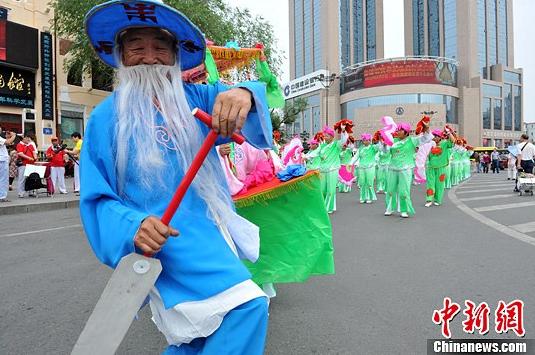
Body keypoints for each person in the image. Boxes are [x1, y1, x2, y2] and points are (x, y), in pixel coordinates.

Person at [80, 1, 272, 353]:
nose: (149, 57)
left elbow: (260, 98)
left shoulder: (198, 97)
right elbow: (96, 199)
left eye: (160, 47)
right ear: (121, 54)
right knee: (246, 306)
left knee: (195, 336)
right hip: (163, 239)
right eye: (137, 46)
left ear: (175, 55)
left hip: (211, 230)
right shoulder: (104, 119)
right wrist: (133, 226)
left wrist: (243, 94)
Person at [383, 121, 431, 218]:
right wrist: (384, 144)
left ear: (406, 132)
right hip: (393, 168)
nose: (398, 132)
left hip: (405, 169)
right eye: (398, 130)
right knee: (390, 190)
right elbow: (385, 152)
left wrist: (426, 128)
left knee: (403, 191)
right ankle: (390, 208)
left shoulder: (412, 141)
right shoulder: (393, 140)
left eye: (401, 130)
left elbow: (426, 138)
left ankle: (403, 210)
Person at [425, 129, 454, 207]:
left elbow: (452, 141)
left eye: (435, 136)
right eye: (433, 136)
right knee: (430, 184)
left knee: (439, 185)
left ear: (440, 137)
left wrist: (449, 133)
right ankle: (429, 199)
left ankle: (438, 199)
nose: (434, 138)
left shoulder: (444, 144)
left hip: (441, 167)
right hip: (431, 167)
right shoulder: (431, 144)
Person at [353, 133, 378, 204]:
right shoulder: (360, 148)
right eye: (365, 140)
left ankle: (369, 197)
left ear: (370, 140)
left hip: (370, 167)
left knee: (369, 182)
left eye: (368, 140)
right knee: (362, 182)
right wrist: (350, 164)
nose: (366, 141)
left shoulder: (373, 147)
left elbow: (381, 148)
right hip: (362, 167)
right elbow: (356, 157)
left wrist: (382, 140)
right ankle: (362, 197)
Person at [15, 132, 37, 198]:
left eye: (29, 139)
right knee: (22, 179)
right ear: (24, 138)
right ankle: (21, 192)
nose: (28, 140)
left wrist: (35, 157)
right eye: (27, 138)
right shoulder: (20, 144)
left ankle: (31, 191)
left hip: (31, 164)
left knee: (31, 178)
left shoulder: (30, 145)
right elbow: (20, 154)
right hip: (23, 164)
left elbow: (34, 152)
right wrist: (29, 158)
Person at [0, 127, 16, 202]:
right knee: (3, 179)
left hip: (2, 160)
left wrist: (7, 137)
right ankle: (2, 196)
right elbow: (8, 142)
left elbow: (5, 143)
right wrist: (13, 136)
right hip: (2, 160)